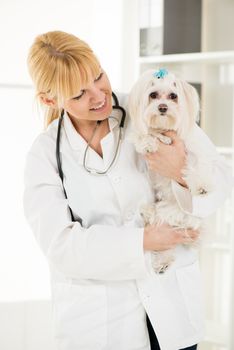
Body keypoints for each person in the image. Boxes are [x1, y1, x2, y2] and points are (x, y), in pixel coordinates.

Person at [23, 30, 233, 350]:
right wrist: (146, 240)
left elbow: (221, 177)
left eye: (99, 76)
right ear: (50, 100)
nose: (99, 96)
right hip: (99, 324)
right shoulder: (44, 154)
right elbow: (61, 246)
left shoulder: (145, 102)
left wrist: (179, 172)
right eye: (79, 94)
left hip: (172, 309)